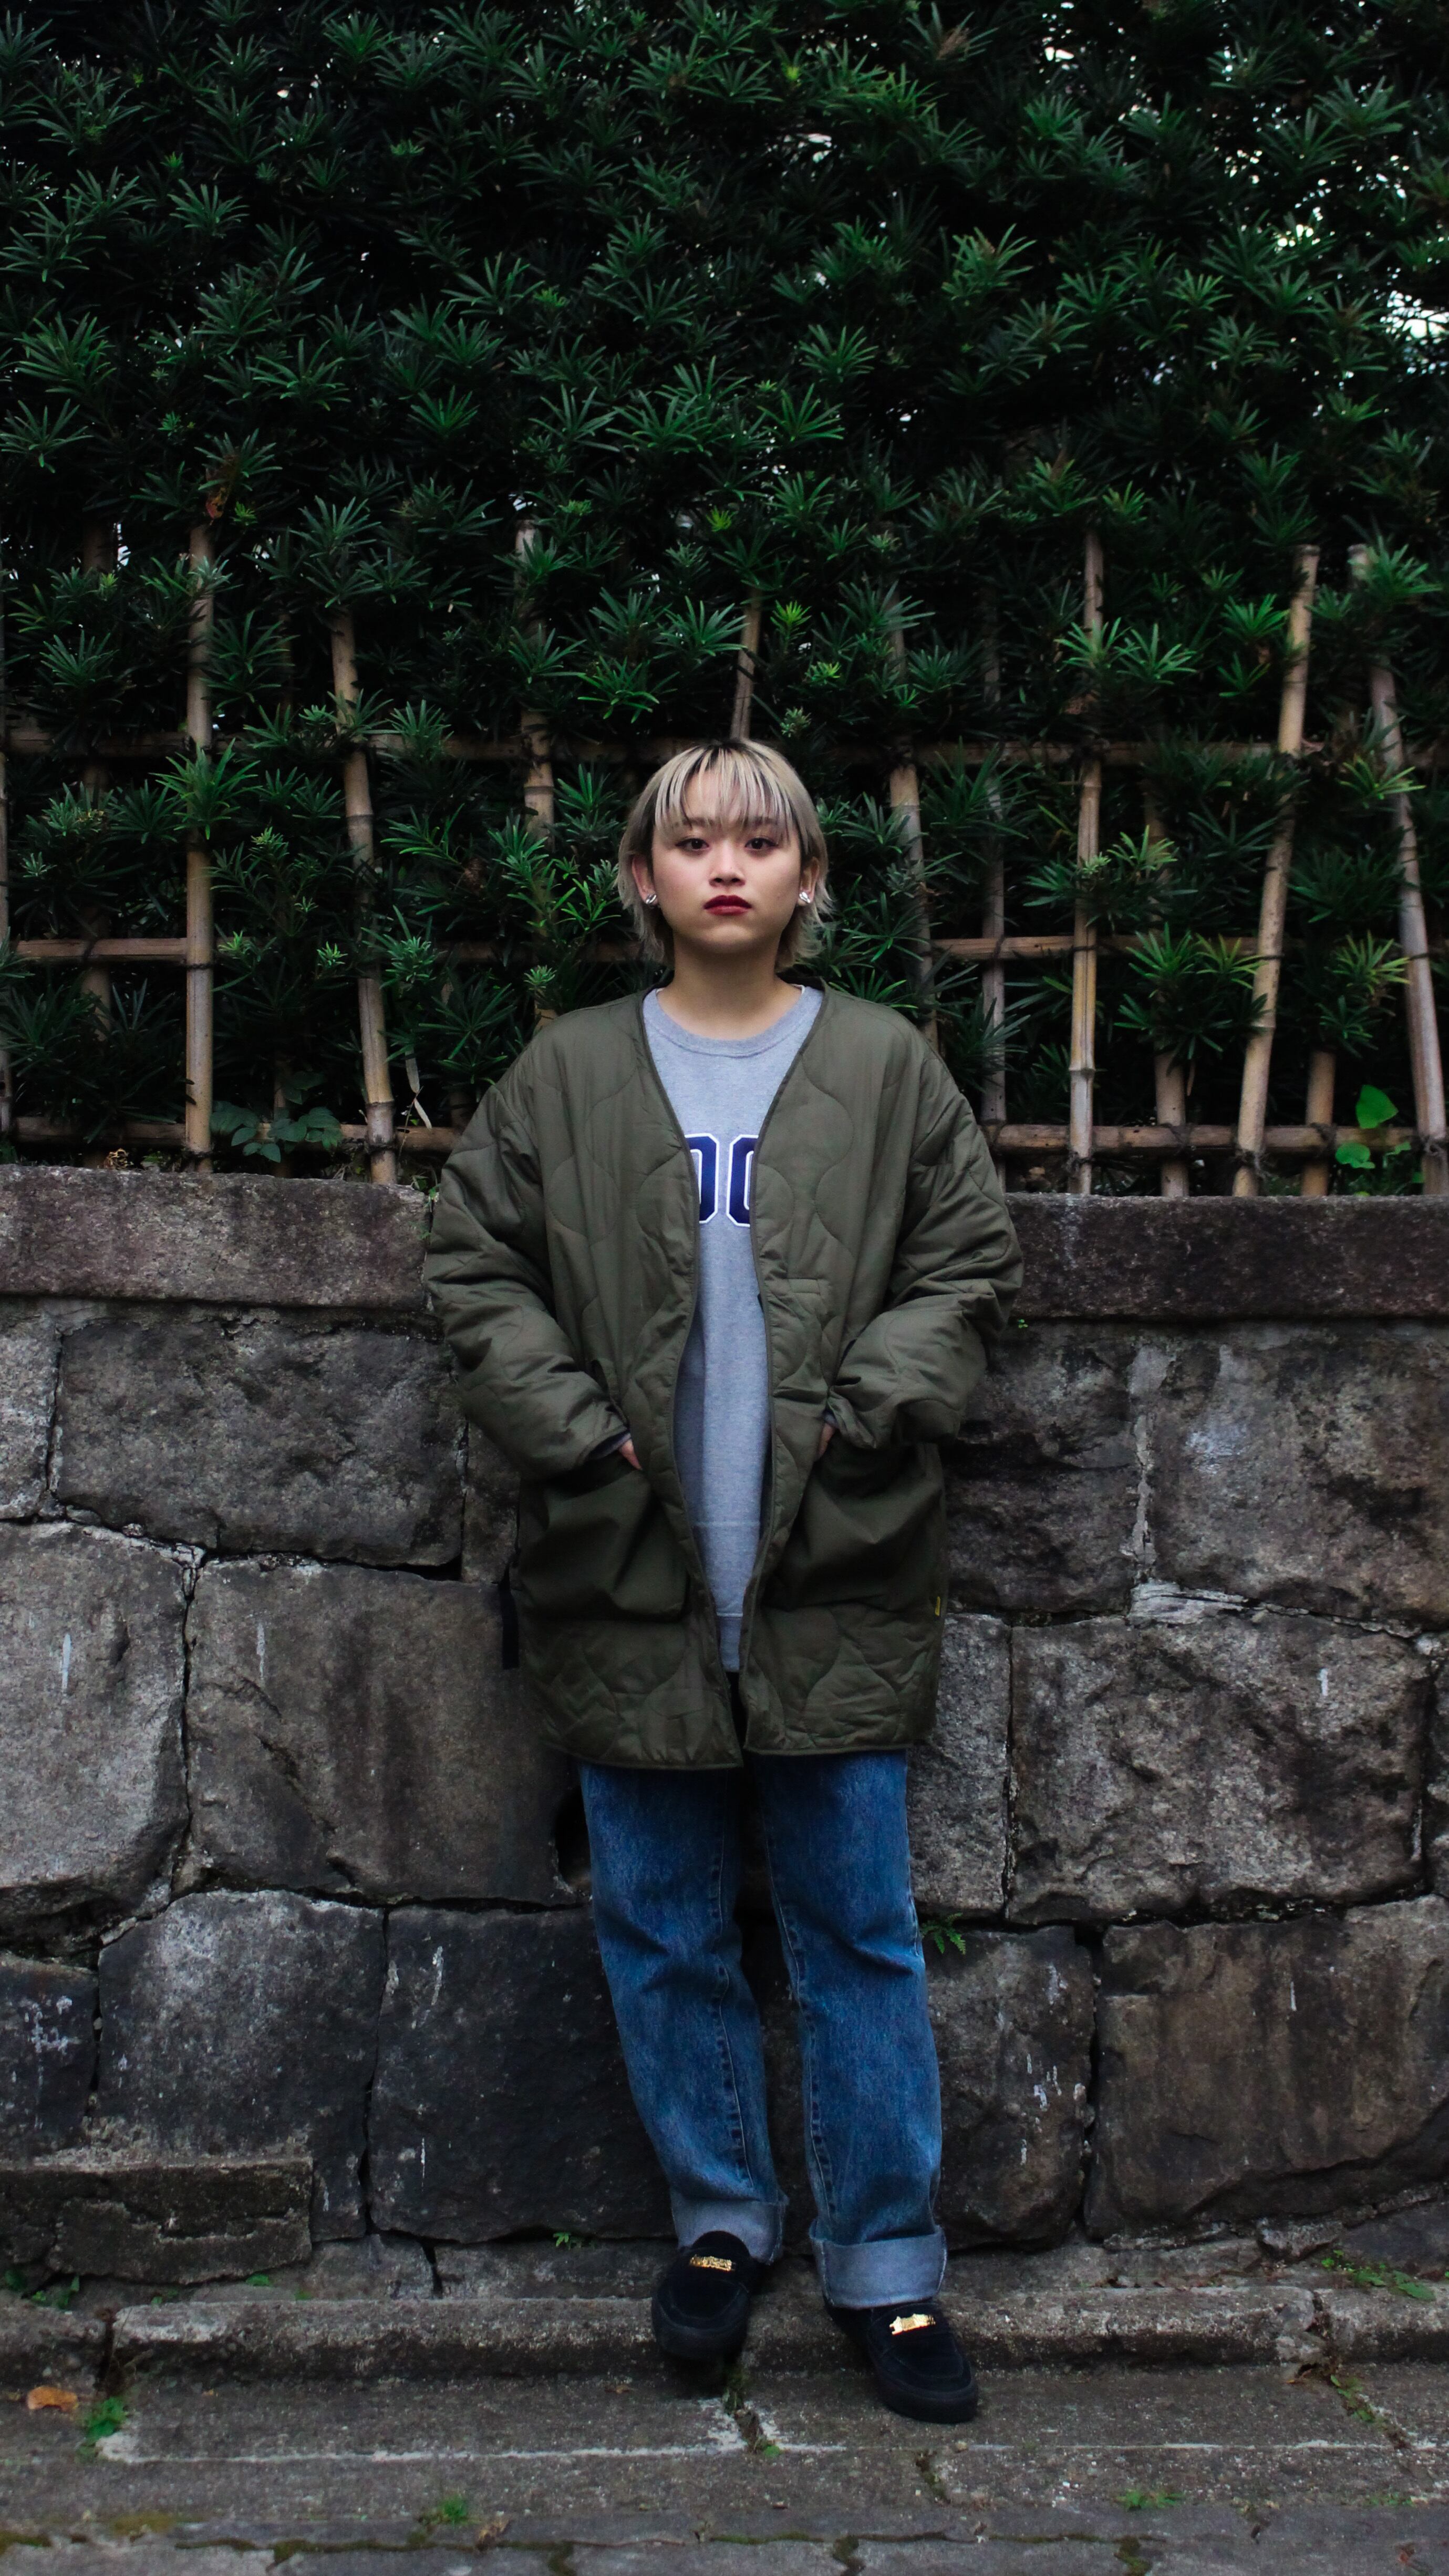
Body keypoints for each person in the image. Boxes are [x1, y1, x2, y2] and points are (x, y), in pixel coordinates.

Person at [424, 740, 1021, 2424]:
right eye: (694, 842)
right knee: (662, 1920)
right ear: (644, 878)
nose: (729, 865)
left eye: (762, 840)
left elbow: (969, 1260)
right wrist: (581, 1436)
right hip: (628, 1566)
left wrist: (868, 1412)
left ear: (810, 876)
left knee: (858, 1930)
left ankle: (888, 2264)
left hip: (837, 1565)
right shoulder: (566, 1071)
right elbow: (471, 1263)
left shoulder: (887, 1068)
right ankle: (717, 2224)